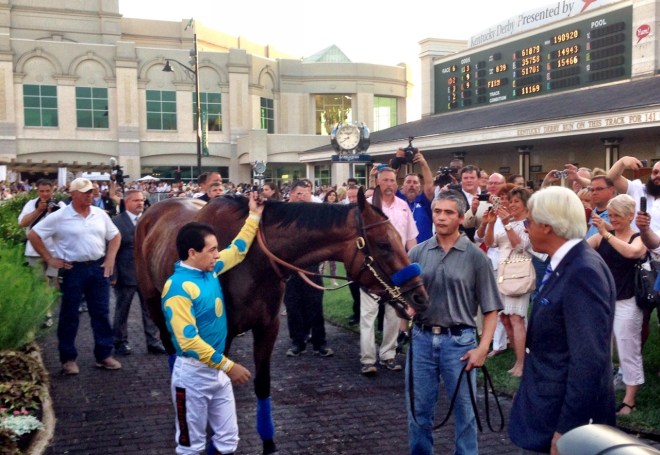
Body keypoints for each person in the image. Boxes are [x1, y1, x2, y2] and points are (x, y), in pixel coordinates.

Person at [509, 186, 616, 454]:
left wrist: (569, 428)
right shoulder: (569, 263)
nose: (526, 228)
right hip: (546, 410)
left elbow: (589, 358)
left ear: (547, 226)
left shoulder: (582, 271)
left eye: (528, 221)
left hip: (560, 420)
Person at [161, 190, 263, 455]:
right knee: (190, 447)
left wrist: (254, 215)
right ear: (192, 252)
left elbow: (238, 250)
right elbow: (188, 341)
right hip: (192, 375)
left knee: (228, 441)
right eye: (212, 250)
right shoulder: (177, 288)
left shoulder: (211, 269)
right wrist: (229, 366)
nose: (218, 254)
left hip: (216, 372)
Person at [406, 190, 502, 454]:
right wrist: (407, 308)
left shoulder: (476, 256)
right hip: (422, 341)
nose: (441, 217)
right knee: (418, 412)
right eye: (437, 211)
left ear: (461, 218)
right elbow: (406, 299)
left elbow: (491, 309)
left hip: (459, 344)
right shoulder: (417, 252)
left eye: (448, 212)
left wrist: (483, 349)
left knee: (466, 414)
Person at [27, 178, 123, 375]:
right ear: (73, 193)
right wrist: (49, 258)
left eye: (91, 192)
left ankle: (104, 355)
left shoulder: (99, 214)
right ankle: (68, 358)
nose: (90, 195)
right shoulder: (60, 216)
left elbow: (115, 235)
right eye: (85, 192)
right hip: (73, 269)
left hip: (97, 268)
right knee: (69, 315)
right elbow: (33, 234)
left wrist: (111, 257)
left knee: (101, 313)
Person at [587, 194, 647, 416]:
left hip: (627, 301)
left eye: (617, 215)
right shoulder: (604, 236)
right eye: (610, 215)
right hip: (603, 300)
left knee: (628, 350)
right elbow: (582, 249)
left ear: (630, 216)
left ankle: (629, 400)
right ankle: (603, 393)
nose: (613, 219)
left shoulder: (638, 237)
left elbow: (633, 253)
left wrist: (604, 233)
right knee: (601, 349)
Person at [360, 166, 417, 375]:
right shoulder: (366, 207)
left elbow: (411, 239)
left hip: (397, 270)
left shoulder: (403, 207)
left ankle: (388, 355)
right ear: (377, 182)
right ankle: (367, 359)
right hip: (372, 270)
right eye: (385, 180)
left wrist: (413, 264)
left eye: (393, 181)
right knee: (368, 315)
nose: (389, 184)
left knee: (394, 314)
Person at [483, 186, 532, 377]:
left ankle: (522, 362)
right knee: (504, 318)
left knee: (516, 318)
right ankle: (518, 359)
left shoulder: (528, 223)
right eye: (510, 201)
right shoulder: (507, 222)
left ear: (526, 204)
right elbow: (489, 243)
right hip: (503, 274)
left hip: (519, 273)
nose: (511, 205)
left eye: (516, 201)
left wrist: (507, 224)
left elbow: (521, 246)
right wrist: (490, 223)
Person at [111, 190, 166, 356]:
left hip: (147, 275)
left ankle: (153, 342)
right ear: (126, 202)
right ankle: (120, 342)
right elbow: (111, 250)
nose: (140, 203)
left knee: (150, 310)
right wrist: (113, 274)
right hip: (125, 274)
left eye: (142, 200)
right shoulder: (116, 222)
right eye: (136, 200)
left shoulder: (150, 220)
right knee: (122, 311)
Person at [284, 179, 334, 357]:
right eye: (299, 194)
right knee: (293, 307)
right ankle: (298, 342)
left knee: (315, 306)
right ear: (291, 194)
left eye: (306, 194)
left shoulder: (315, 216)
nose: (302, 197)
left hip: (311, 269)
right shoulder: (284, 216)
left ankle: (319, 342)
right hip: (290, 269)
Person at [608, 156, 660, 231]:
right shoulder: (638, 189)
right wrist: (622, 161)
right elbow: (611, 180)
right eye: (655, 172)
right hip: (633, 242)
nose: (658, 175)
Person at [395, 150, 435, 243]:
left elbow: (429, 185)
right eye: (408, 182)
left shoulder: (424, 201)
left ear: (420, 187)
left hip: (425, 251)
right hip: (402, 252)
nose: (412, 185)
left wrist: (423, 164)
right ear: (402, 186)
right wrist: (397, 162)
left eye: (415, 182)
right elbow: (390, 183)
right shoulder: (397, 199)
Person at [345, 185, 361, 326]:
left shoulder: (365, 212)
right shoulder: (345, 213)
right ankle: (357, 314)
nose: (351, 199)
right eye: (349, 197)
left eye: (354, 196)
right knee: (353, 287)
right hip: (350, 258)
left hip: (365, 258)